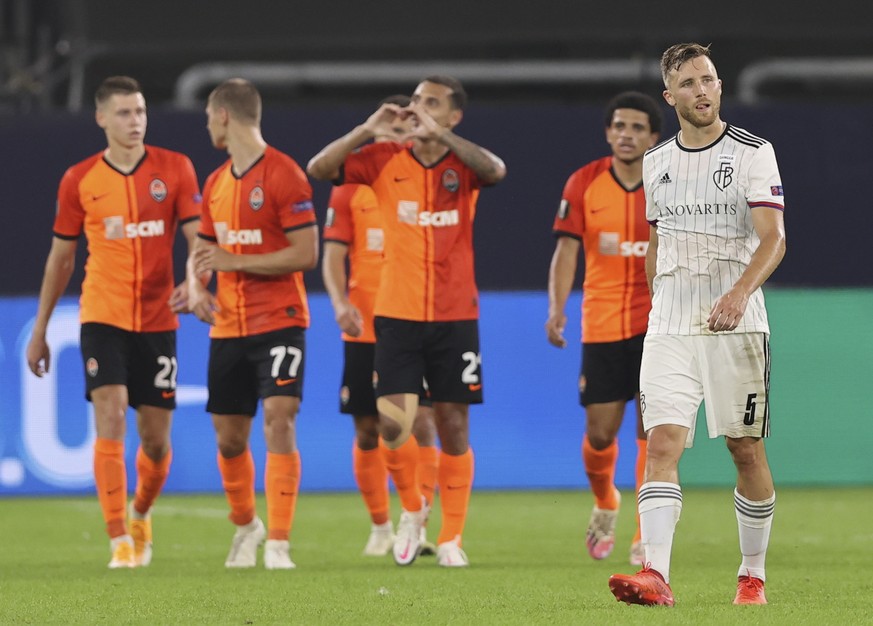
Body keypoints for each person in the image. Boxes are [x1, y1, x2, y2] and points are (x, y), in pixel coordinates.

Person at [608, 43, 786, 607]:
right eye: (688, 84)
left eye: (708, 80)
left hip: (735, 323)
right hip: (670, 324)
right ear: (671, 96)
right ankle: (655, 574)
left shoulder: (754, 152)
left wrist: (738, 293)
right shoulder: (656, 162)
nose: (702, 91)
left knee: (744, 450)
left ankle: (751, 575)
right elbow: (657, 241)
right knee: (661, 442)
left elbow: (774, 238)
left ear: (719, 85)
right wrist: (655, 298)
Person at [308, 75, 506, 567]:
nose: (418, 109)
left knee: (454, 425)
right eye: (416, 100)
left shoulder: (463, 163)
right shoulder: (382, 161)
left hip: (455, 315)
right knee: (392, 428)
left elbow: (497, 170)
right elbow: (319, 168)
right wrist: (367, 127)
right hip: (394, 315)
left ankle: (454, 539)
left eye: (432, 103)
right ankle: (413, 511)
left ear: (453, 115)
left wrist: (442, 136)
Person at [25, 76, 202, 568]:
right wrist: (40, 330)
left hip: (159, 317)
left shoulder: (176, 168)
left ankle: (141, 511)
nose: (135, 122)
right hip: (102, 313)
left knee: (155, 439)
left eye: (141, 112)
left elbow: (197, 238)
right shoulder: (78, 179)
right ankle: (119, 539)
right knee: (111, 409)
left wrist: (196, 280)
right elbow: (60, 260)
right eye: (124, 113)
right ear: (101, 118)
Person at [186, 78, 318, 570]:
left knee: (280, 417)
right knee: (229, 438)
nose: (206, 126)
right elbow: (203, 252)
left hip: (280, 319)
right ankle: (247, 525)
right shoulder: (215, 184)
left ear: (223, 115)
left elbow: (306, 253)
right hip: (227, 325)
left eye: (207, 117)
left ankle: (280, 542)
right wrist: (197, 286)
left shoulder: (286, 175)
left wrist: (232, 261)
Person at [546, 91, 663, 566]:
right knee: (600, 434)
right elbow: (566, 251)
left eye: (637, 127)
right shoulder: (585, 182)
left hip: (659, 324)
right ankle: (605, 501)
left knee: (650, 432)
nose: (627, 135)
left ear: (654, 136)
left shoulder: (667, 180)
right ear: (608, 132)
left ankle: (643, 534)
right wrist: (557, 308)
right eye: (619, 126)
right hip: (601, 322)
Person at [321, 94, 440, 558]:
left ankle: (420, 518)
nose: (399, 136)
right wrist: (338, 303)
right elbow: (332, 255)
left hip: (414, 320)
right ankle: (378, 524)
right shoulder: (350, 188)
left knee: (424, 423)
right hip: (365, 325)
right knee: (369, 428)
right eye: (391, 128)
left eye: (406, 128)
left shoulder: (423, 183)